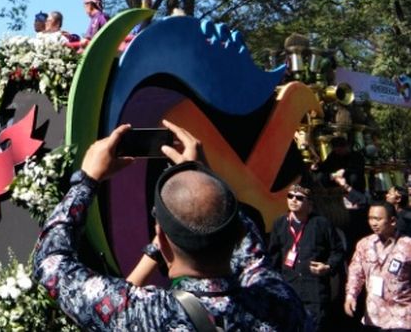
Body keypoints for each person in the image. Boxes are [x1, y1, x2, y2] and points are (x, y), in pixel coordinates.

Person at [33, 120, 311, 330]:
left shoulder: (142, 315)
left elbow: (51, 261)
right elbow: (252, 256)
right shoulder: (280, 303)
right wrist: (205, 180)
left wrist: (86, 180)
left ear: (161, 242)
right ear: (237, 233)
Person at [268, 184, 344, 330]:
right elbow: (274, 256)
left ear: (310, 203)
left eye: (299, 198)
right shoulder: (280, 223)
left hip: (314, 291)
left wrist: (328, 266)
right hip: (289, 289)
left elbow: (338, 251)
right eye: (290, 196)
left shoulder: (321, 223)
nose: (293, 200)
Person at [344, 201, 411, 330]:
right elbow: (356, 274)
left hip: (402, 318)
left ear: (392, 221)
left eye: (378, 219)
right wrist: (351, 296)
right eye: (370, 218)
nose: (373, 223)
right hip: (373, 318)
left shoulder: (407, 246)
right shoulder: (364, 245)